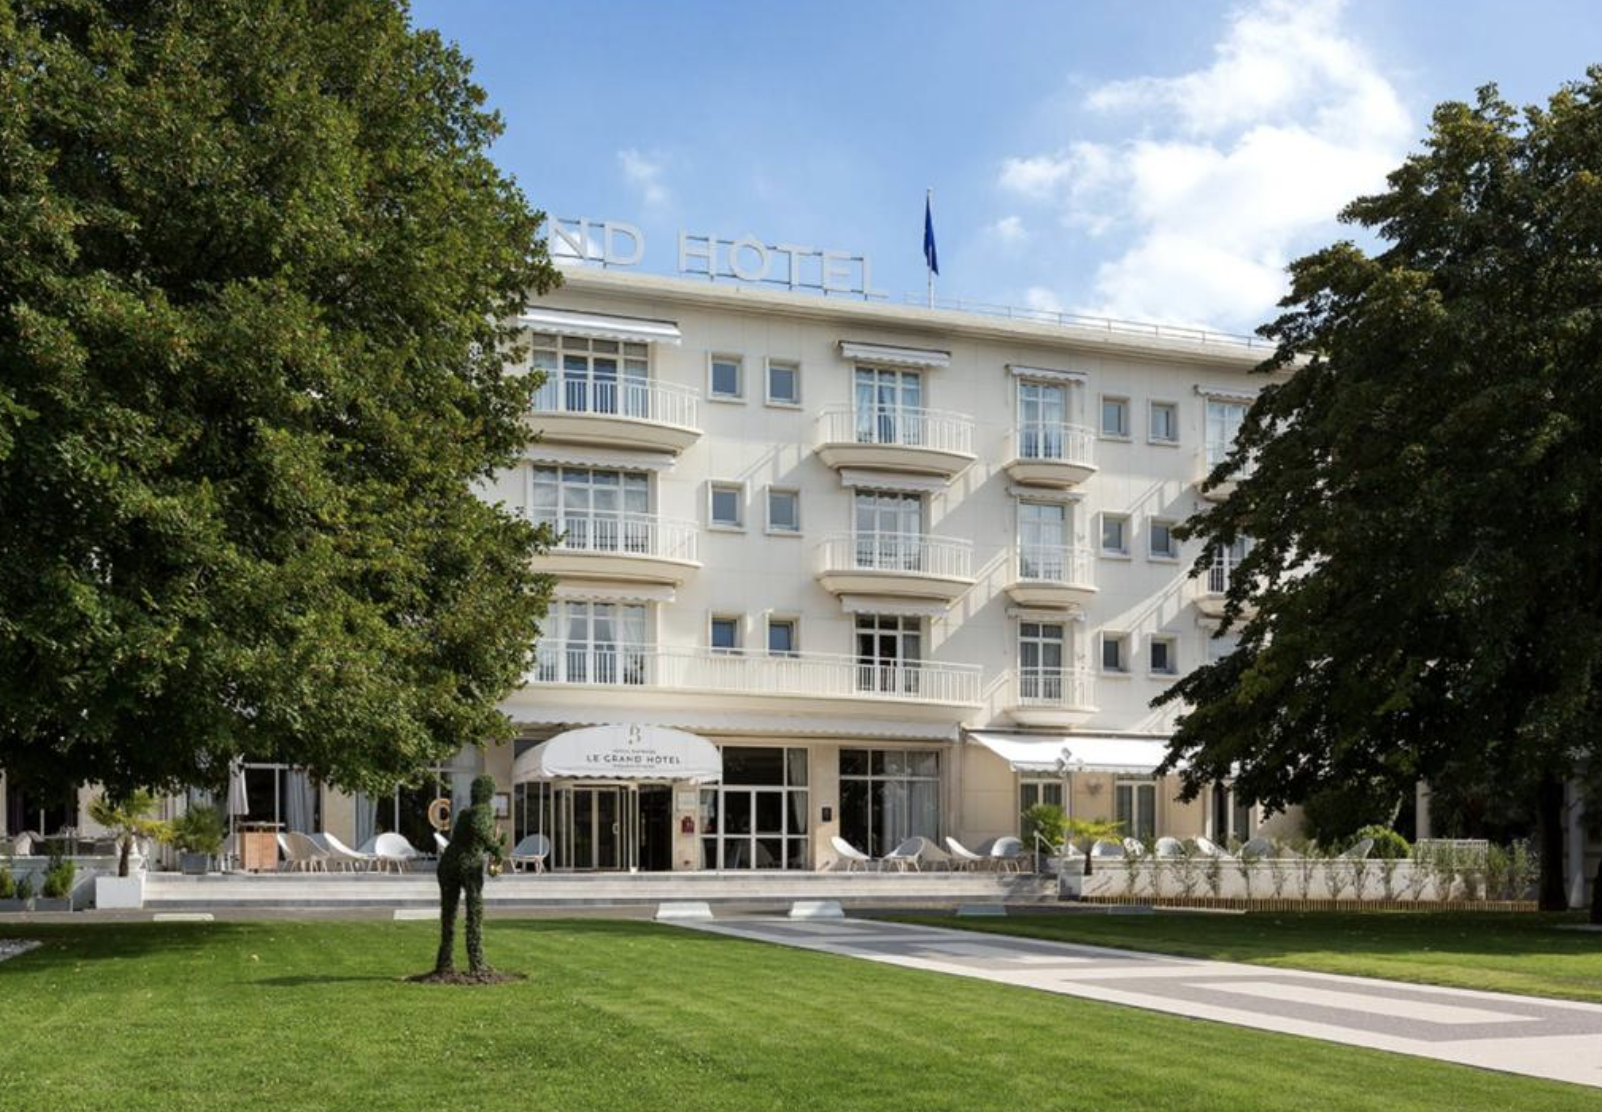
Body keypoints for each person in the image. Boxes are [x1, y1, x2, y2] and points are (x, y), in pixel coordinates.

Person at [433, 774, 506, 975]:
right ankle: (477, 963)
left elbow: (475, 834)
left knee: (448, 915)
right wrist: (497, 850)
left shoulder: (465, 813)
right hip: (467, 866)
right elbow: (480, 830)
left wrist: (497, 841)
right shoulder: (483, 811)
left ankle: (444, 963)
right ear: (488, 794)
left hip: (447, 864)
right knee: (474, 912)